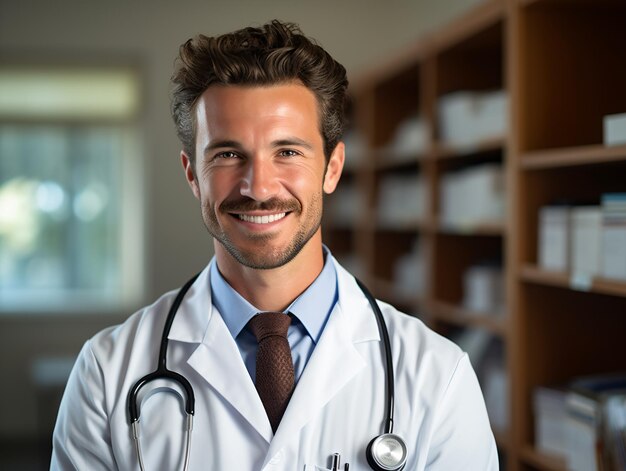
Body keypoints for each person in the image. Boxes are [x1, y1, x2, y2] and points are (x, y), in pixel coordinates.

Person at [51, 20, 498, 470]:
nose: (258, 187)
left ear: (333, 167)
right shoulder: (108, 373)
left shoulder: (437, 376)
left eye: (287, 151)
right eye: (228, 154)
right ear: (191, 174)